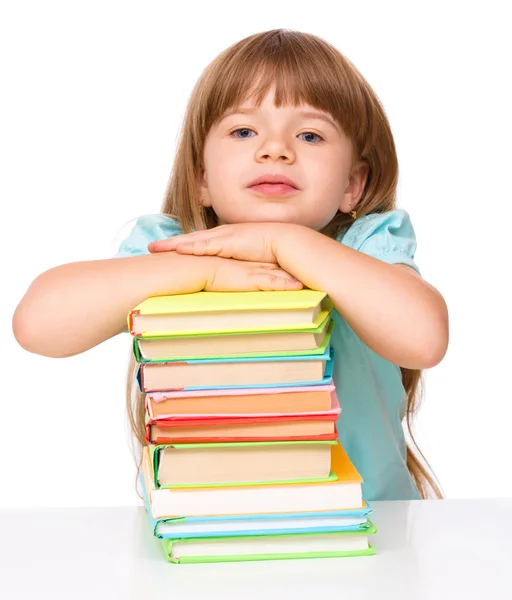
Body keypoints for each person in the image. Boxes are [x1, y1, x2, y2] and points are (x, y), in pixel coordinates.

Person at [12, 29, 449, 501]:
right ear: (202, 177)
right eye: (244, 131)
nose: (275, 149)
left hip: (367, 535)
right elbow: (37, 324)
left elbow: (423, 339)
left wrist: (280, 240)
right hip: (206, 532)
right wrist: (204, 272)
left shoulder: (366, 248)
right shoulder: (172, 248)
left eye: (310, 134)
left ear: (353, 185)